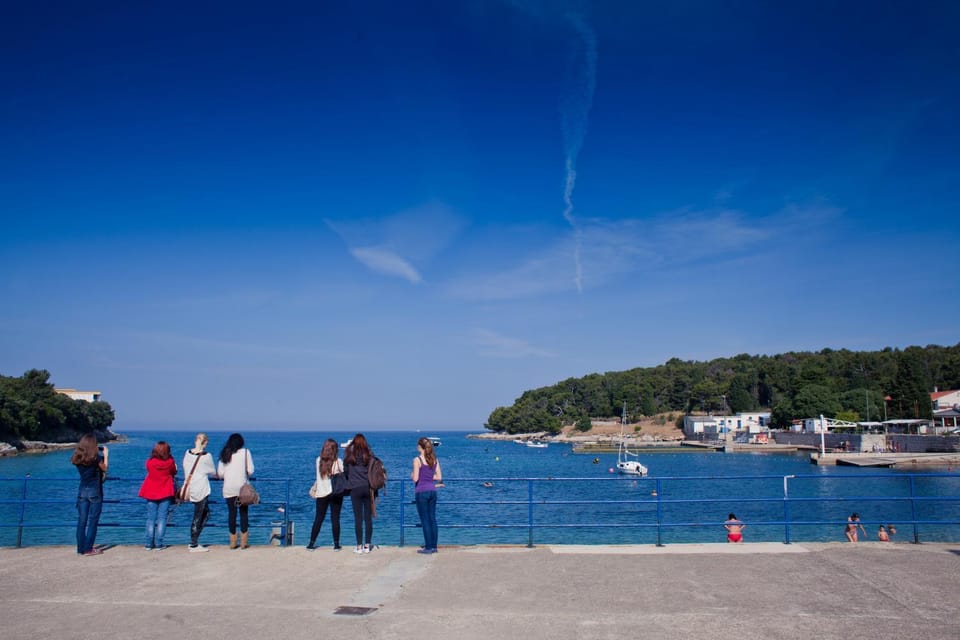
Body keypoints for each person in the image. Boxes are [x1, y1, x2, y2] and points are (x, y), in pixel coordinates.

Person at [71, 433, 108, 556]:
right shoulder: (96, 458)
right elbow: (104, 468)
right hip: (94, 491)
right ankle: (88, 549)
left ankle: (80, 549)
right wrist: (106, 456)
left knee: (81, 521)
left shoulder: (77, 458)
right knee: (93, 520)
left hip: (82, 490)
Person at [138, 441, 177, 550]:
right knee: (162, 518)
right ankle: (159, 543)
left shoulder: (150, 462)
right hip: (165, 491)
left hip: (151, 491)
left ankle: (149, 543)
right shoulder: (170, 462)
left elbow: (149, 470)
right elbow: (174, 472)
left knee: (151, 518)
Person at [218, 433, 255, 549]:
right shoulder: (245, 453)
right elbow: (251, 470)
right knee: (243, 513)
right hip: (241, 490)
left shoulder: (225, 453)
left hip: (229, 489)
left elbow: (220, 473)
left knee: (232, 514)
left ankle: (233, 542)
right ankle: (244, 542)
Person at [306, 438, 344, 551]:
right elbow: (342, 475)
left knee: (318, 519)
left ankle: (311, 543)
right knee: (335, 519)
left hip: (321, 493)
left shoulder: (318, 461)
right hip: (336, 493)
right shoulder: (338, 462)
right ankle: (336, 544)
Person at [182, 433, 216, 552]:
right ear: (205, 442)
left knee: (203, 513)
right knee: (200, 515)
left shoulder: (187, 453)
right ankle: (193, 543)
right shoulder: (206, 456)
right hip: (201, 488)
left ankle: (194, 540)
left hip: (191, 487)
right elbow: (212, 471)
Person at [344, 433, 375, 554]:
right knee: (368, 518)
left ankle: (359, 546)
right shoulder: (368, 455)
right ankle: (367, 545)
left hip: (355, 488)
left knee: (358, 518)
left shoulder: (349, 455)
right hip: (367, 488)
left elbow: (345, 471)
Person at [412, 437, 442, 554]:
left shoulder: (417, 459)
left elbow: (415, 478)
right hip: (432, 491)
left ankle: (428, 547)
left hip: (421, 491)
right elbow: (439, 477)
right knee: (432, 519)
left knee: (425, 520)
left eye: (417, 445)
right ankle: (434, 546)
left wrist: (412, 475)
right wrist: (430, 477)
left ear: (420, 447)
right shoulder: (434, 459)